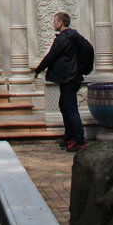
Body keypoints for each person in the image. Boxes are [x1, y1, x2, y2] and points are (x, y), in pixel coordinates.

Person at [33, 11, 87, 151]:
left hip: (68, 78)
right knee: (65, 106)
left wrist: (38, 70)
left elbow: (51, 56)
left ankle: (79, 141)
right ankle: (69, 138)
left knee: (71, 109)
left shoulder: (63, 39)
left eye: (55, 21)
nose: (54, 23)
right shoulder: (74, 37)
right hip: (71, 77)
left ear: (61, 23)